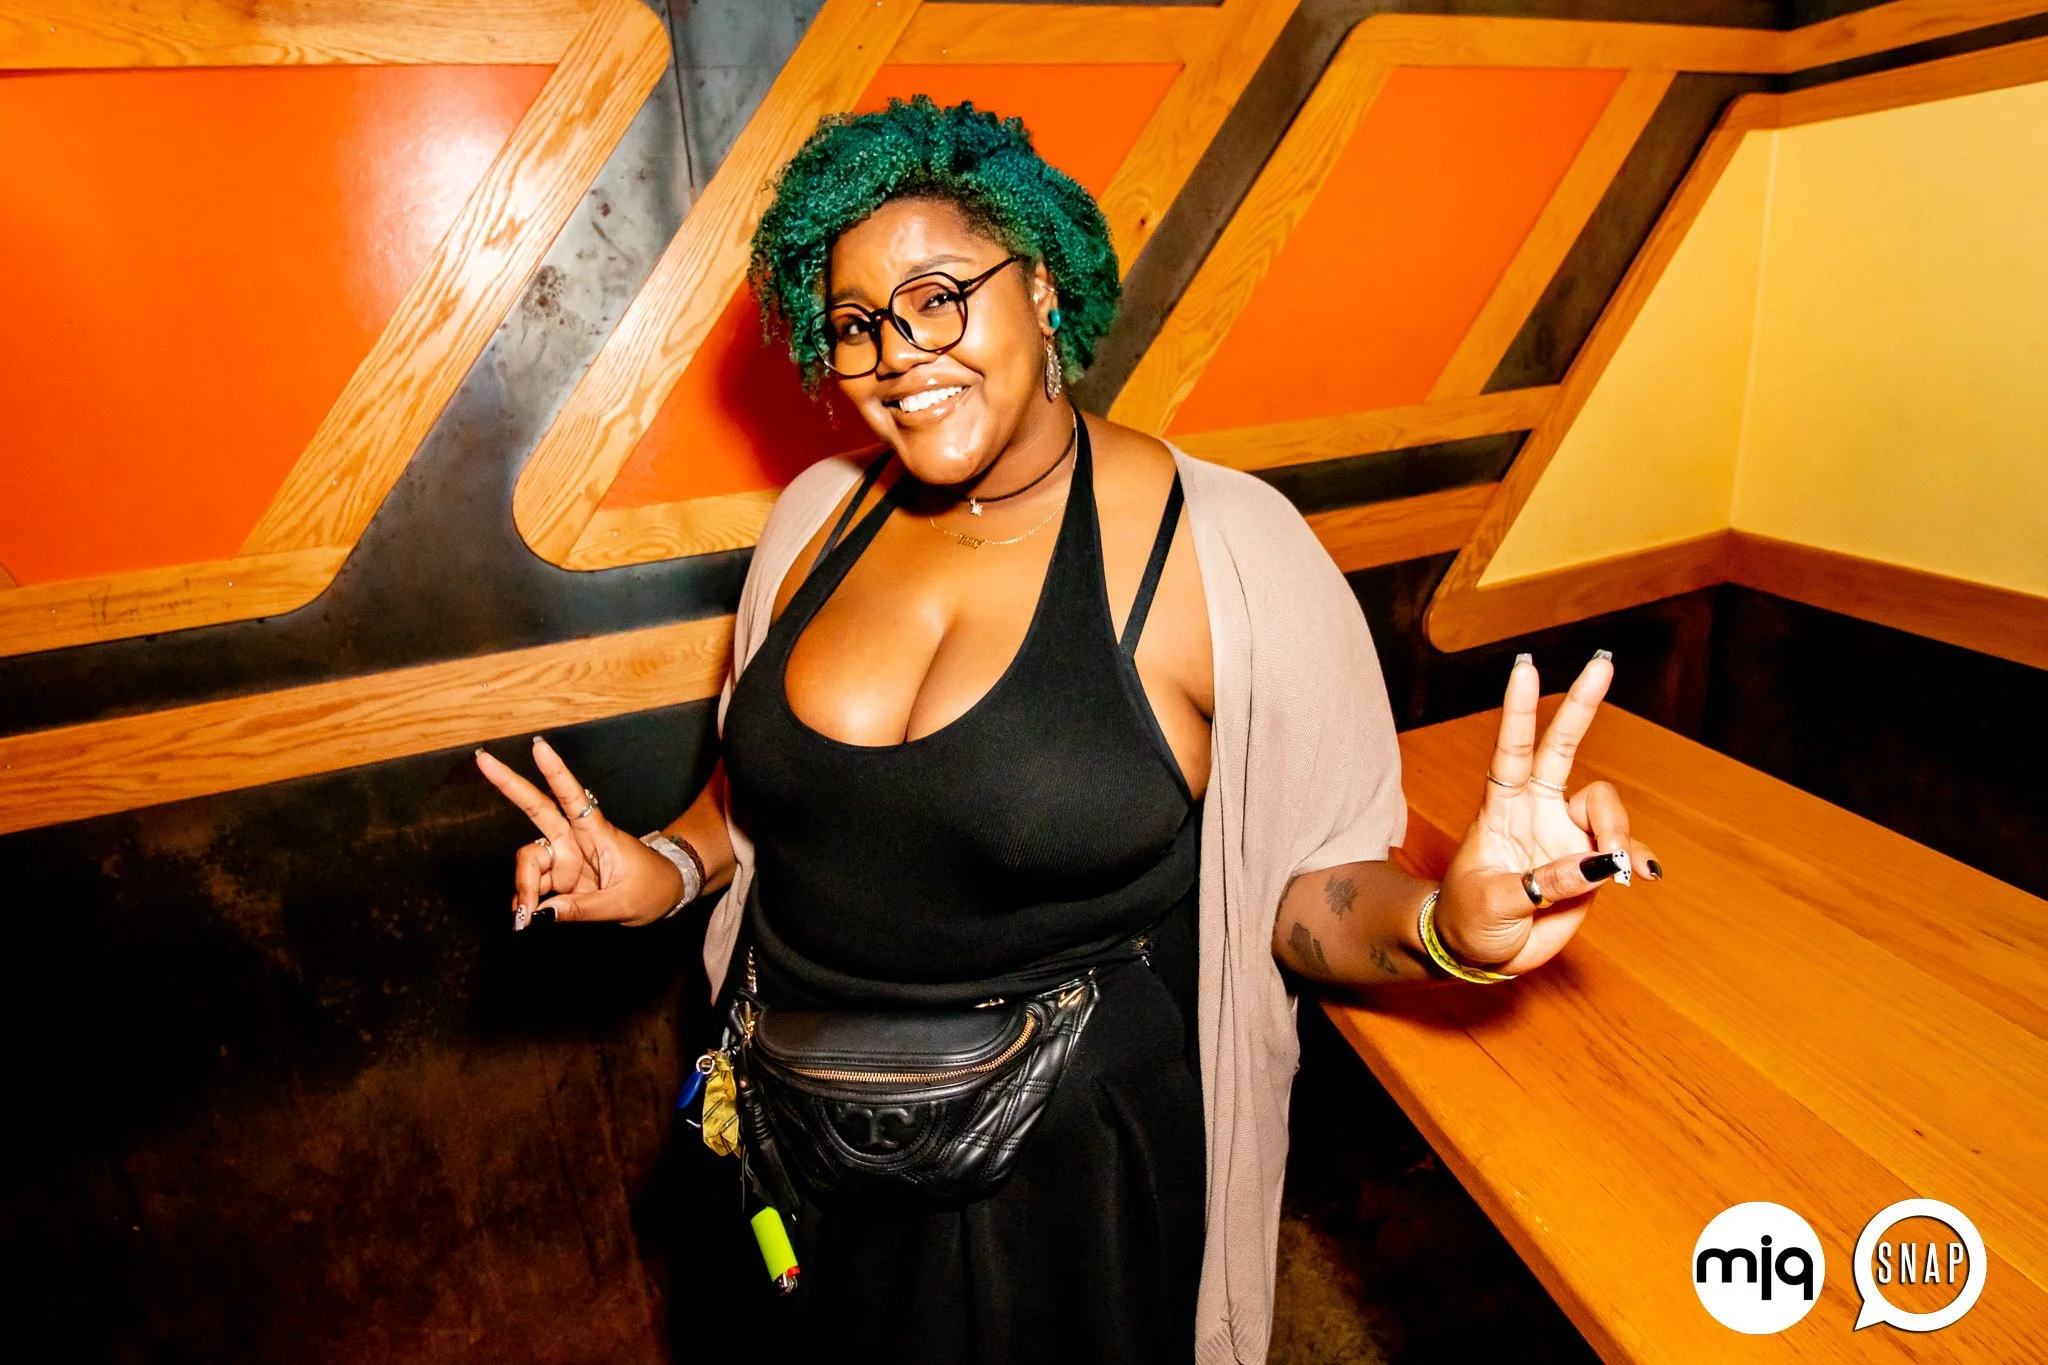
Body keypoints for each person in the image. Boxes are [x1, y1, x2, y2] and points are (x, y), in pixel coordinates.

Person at [475, 96, 1660, 1364]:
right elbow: (766, 799)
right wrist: (659, 867)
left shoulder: (1226, 553)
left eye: (938, 298)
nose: (896, 354)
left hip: (1056, 1192)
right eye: (856, 324)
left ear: (1039, 286)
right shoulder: (814, 517)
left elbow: (1306, 895)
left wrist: (1445, 929)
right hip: (795, 1138)